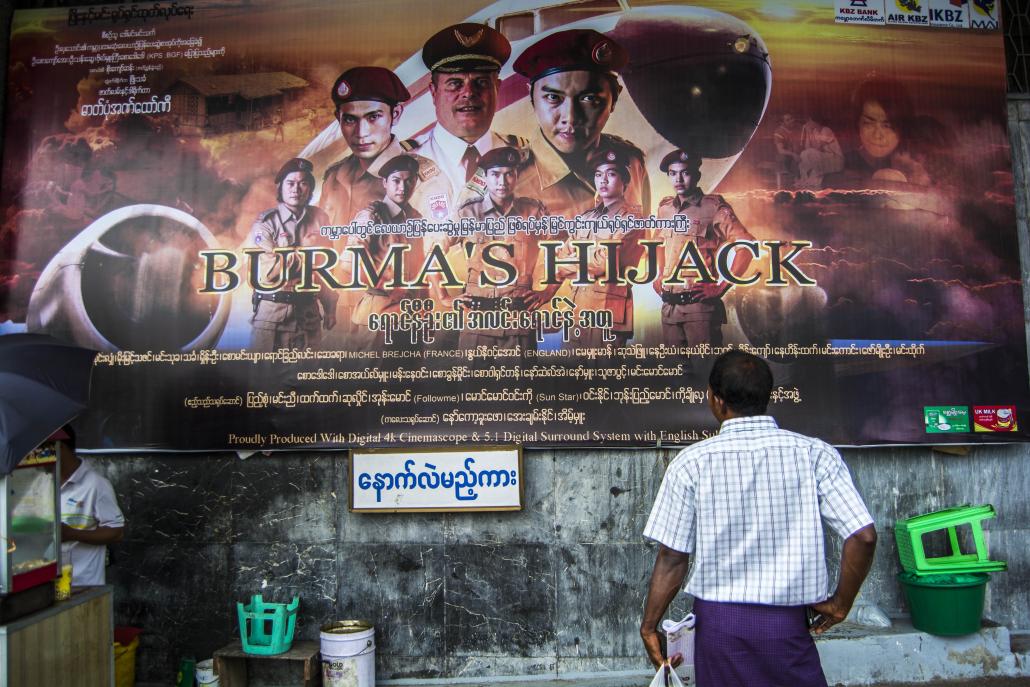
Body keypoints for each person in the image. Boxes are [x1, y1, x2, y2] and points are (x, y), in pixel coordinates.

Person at [640, 351, 877, 686]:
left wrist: (650, 626)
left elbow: (672, 556)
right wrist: (840, 604)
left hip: (719, 627)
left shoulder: (691, 463)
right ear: (768, 397)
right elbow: (863, 536)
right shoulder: (815, 454)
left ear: (717, 400)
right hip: (788, 626)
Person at [512, 29, 650, 219]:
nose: (570, 117)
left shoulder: (631, 163)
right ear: (532, 97)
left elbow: (647, 243)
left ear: (615, 99)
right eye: (553, 97)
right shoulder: (505, 181)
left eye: (589, 98)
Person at [405, 23, 526, 222]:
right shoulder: (405, 162)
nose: (469, 93)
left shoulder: (528, 157)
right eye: (455, 83)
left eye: (481, 83)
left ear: (497, 88)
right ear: (433, 93)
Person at [653, 149, 754, 349]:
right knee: (676, 376)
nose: (678, 179)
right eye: (673, 173)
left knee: (704, 373)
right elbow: (659, 242)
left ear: (697, 176)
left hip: (700, 310)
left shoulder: (713, 207)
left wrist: (720, 287)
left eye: (685, 172)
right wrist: (659, 275)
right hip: (669, 308)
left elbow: (748, 247)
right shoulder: (665, 209)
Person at [453, 146, 548, 351]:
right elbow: (432, 250)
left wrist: (548, 291)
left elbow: (566, 249)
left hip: (518, 321)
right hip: (477, 321)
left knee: (520, 383)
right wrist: (446, 297)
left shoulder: (533, 211)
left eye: (509, 175)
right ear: (485, 176)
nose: (502, 182)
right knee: (472, 383)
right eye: (495, 175)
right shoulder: (467, 213)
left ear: (517, 176)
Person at [558, 146, 644, 349]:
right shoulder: (586, 218)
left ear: (624, 181)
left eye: (611, 174)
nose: (603, 180)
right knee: (570, 378)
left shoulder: (632, 218)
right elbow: (559, 262)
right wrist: (589, 258)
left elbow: (604, 263)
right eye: (598, 175)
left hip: (607, 312)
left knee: (603, 377)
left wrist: (577, 259)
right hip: (577, 310)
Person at [249, 157, 338, 351]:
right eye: (290, 183)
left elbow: (326, 271)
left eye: (303, 183)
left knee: (308, 380)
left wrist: (330, 307)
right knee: (265, 381)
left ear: (309, 189)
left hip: (308, 318)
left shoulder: (320, 218)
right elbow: (268, 274)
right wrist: (305, 251)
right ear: (280, 188)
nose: (296, 189)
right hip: (272, 321)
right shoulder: (265, 224)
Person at [348, 154, 427, 350]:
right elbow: (350, 263)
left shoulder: (415, 219)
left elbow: (420, 270)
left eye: (409, 181)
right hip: (379, 312)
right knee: (373, 378)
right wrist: (387, 286)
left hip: (411, 314)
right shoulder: (370, 217)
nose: (403, 187)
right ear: (384, 182)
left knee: (409, 377)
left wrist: (426, 310)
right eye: (396, 181)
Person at [321, 66, 416, 227]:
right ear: (339, 118)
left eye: (373, 117)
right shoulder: (333, 177)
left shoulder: (419, 178)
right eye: (350, 120)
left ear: (395, 115)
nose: (361, 133)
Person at [58, 425, 125, 586]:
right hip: (47, 584)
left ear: (59, 448)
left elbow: (116, 532)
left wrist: (71, 534)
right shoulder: (41, 482)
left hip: (83, 585)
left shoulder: (96, 485)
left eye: (42, 449)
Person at [797, 114, 843, 189]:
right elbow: (807, 148)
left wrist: (809, 132)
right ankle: (806, 181)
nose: (807, 124)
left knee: (811, 153)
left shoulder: (826, 130)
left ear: (815, 122)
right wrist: (808, 133)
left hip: (835, 158)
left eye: (809, 121)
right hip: (823, 156)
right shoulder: (814, 131)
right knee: (804, 154)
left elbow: (818, 148)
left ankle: (814, 181)